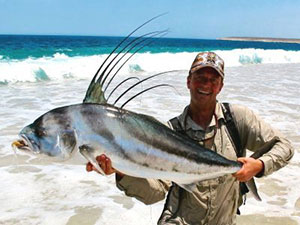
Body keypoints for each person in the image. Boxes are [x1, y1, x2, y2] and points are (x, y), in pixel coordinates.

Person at [86, 52, 294, 225]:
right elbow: (154, 193)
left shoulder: (237, 119)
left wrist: (259, 165)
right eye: (200, 78)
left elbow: (284, 146)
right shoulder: (169, 132)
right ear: (188, 81)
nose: (206, 84)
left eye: (213, 80)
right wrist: (121, 171)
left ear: (221, 86)